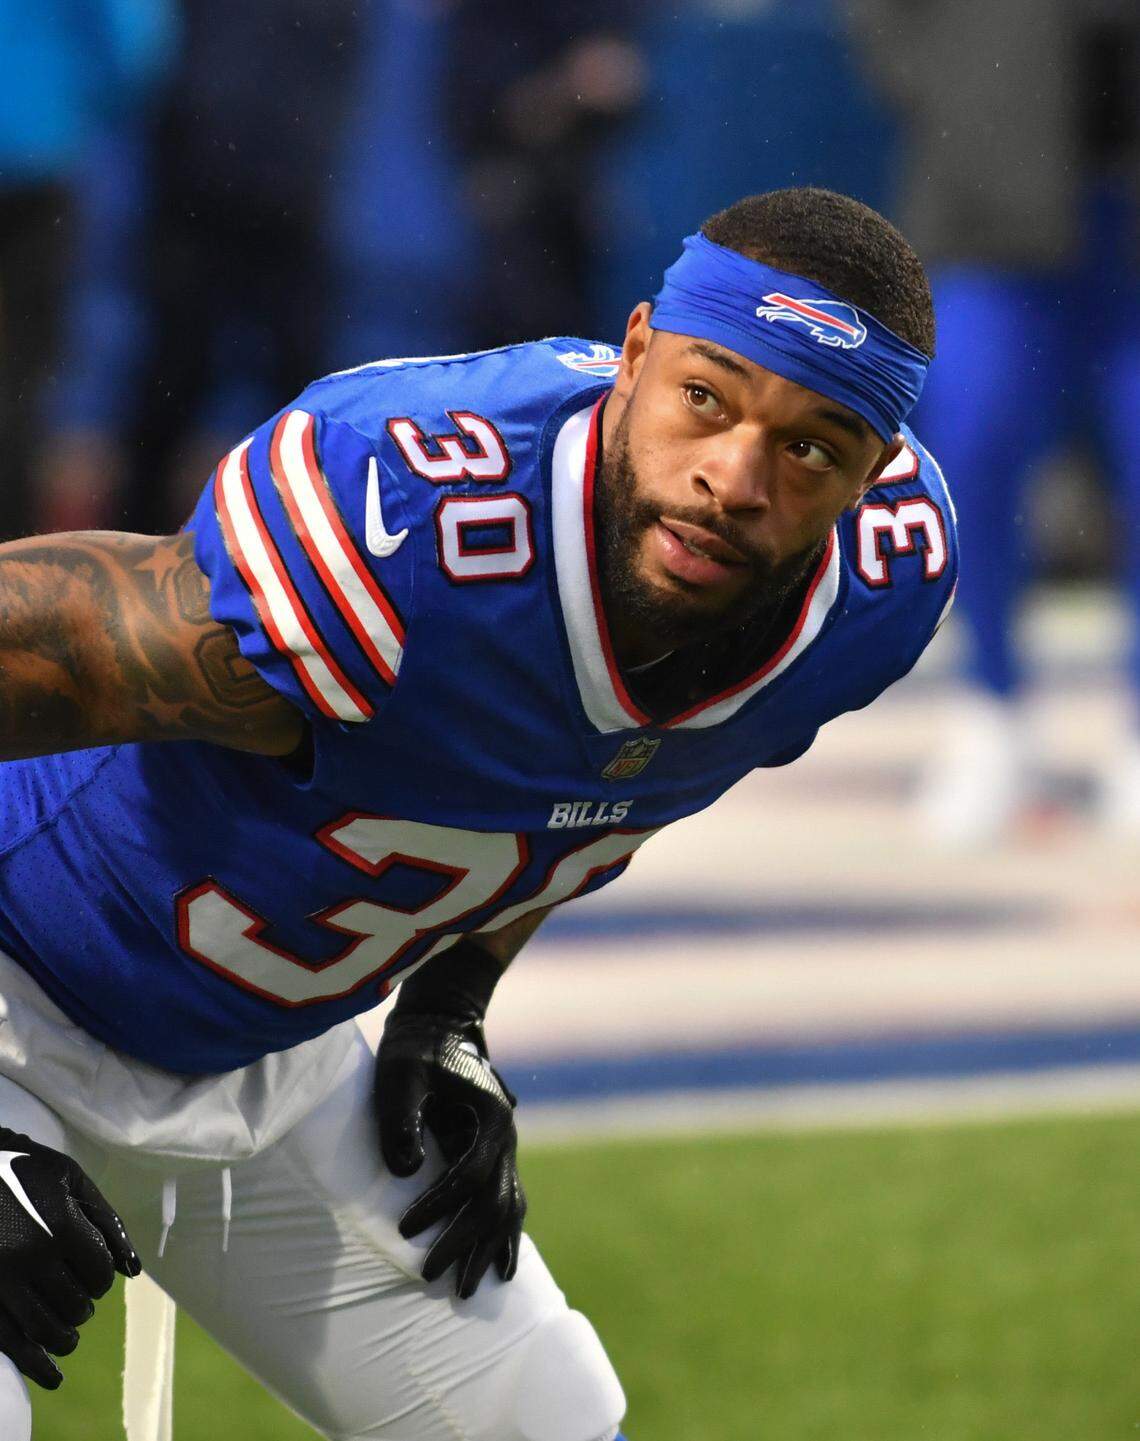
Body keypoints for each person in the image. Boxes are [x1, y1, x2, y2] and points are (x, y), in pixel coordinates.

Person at [0, 187, 954, 1441]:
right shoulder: (408, 531)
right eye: (705, 400)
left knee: (544, 1424)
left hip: (264, 1053)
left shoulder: (868, 596)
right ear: (633, 358)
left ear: (872, 476)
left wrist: (450, 1005)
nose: (734, 478)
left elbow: (594, 782)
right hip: (22, 969)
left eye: (812, 447)